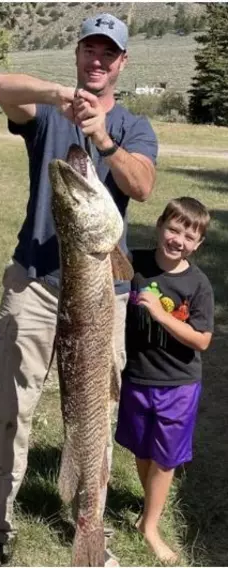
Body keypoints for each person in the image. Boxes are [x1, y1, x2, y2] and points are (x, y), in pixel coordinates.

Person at [0, 13, 158, 567]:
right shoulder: (49, 112)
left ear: (122, 63)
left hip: (101, 290)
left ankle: (91, 532)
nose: (98, 60)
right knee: (11, 411)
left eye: (108, 53)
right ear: (78, 56)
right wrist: (59, 95)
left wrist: (101, 135)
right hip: (34, 285)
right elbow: (0, 86)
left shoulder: (133, 126)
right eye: (89, 51)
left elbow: (141, 185)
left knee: (95, 411)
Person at [116, 197, 213, 564]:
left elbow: (202, 339)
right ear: (159, 226)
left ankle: (150, 526)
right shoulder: (135, 264)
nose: (178, 240)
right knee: (142, 449)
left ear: (199, 243)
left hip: (178, 384)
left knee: (167, 458)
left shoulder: (198, 284)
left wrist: (159, 314)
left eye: (189, 236)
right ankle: (150, 505)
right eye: (173, 229)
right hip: (137, 378)